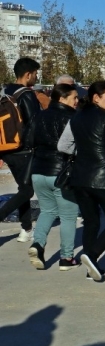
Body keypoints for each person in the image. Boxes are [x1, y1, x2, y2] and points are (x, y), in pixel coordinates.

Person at [57, 81, 105, 282]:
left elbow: (63, 145)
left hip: (80, 179)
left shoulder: (76, 118)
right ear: (96, 98)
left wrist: (84, 151)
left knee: (91, 222)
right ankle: (91, 256)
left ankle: (90, 268)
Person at [26, 84, 80, 271]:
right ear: (62, 99)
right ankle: (66, 258)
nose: (77, 101)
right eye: (74, 97)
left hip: (38, 171)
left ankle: (38, 244)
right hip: (62, 173)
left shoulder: (40, 115)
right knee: (68, 216)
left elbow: (29, 141)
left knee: (47, 211)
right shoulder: (72, 118)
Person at [0, 57, 42, 242]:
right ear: (27, 74)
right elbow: (34, 123)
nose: (36, 77)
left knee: (23, 187)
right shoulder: (26, 94)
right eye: (35, 74)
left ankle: (26, 229)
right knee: (27, 191)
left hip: (6, 148)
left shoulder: (5, 91)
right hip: (23, 149)